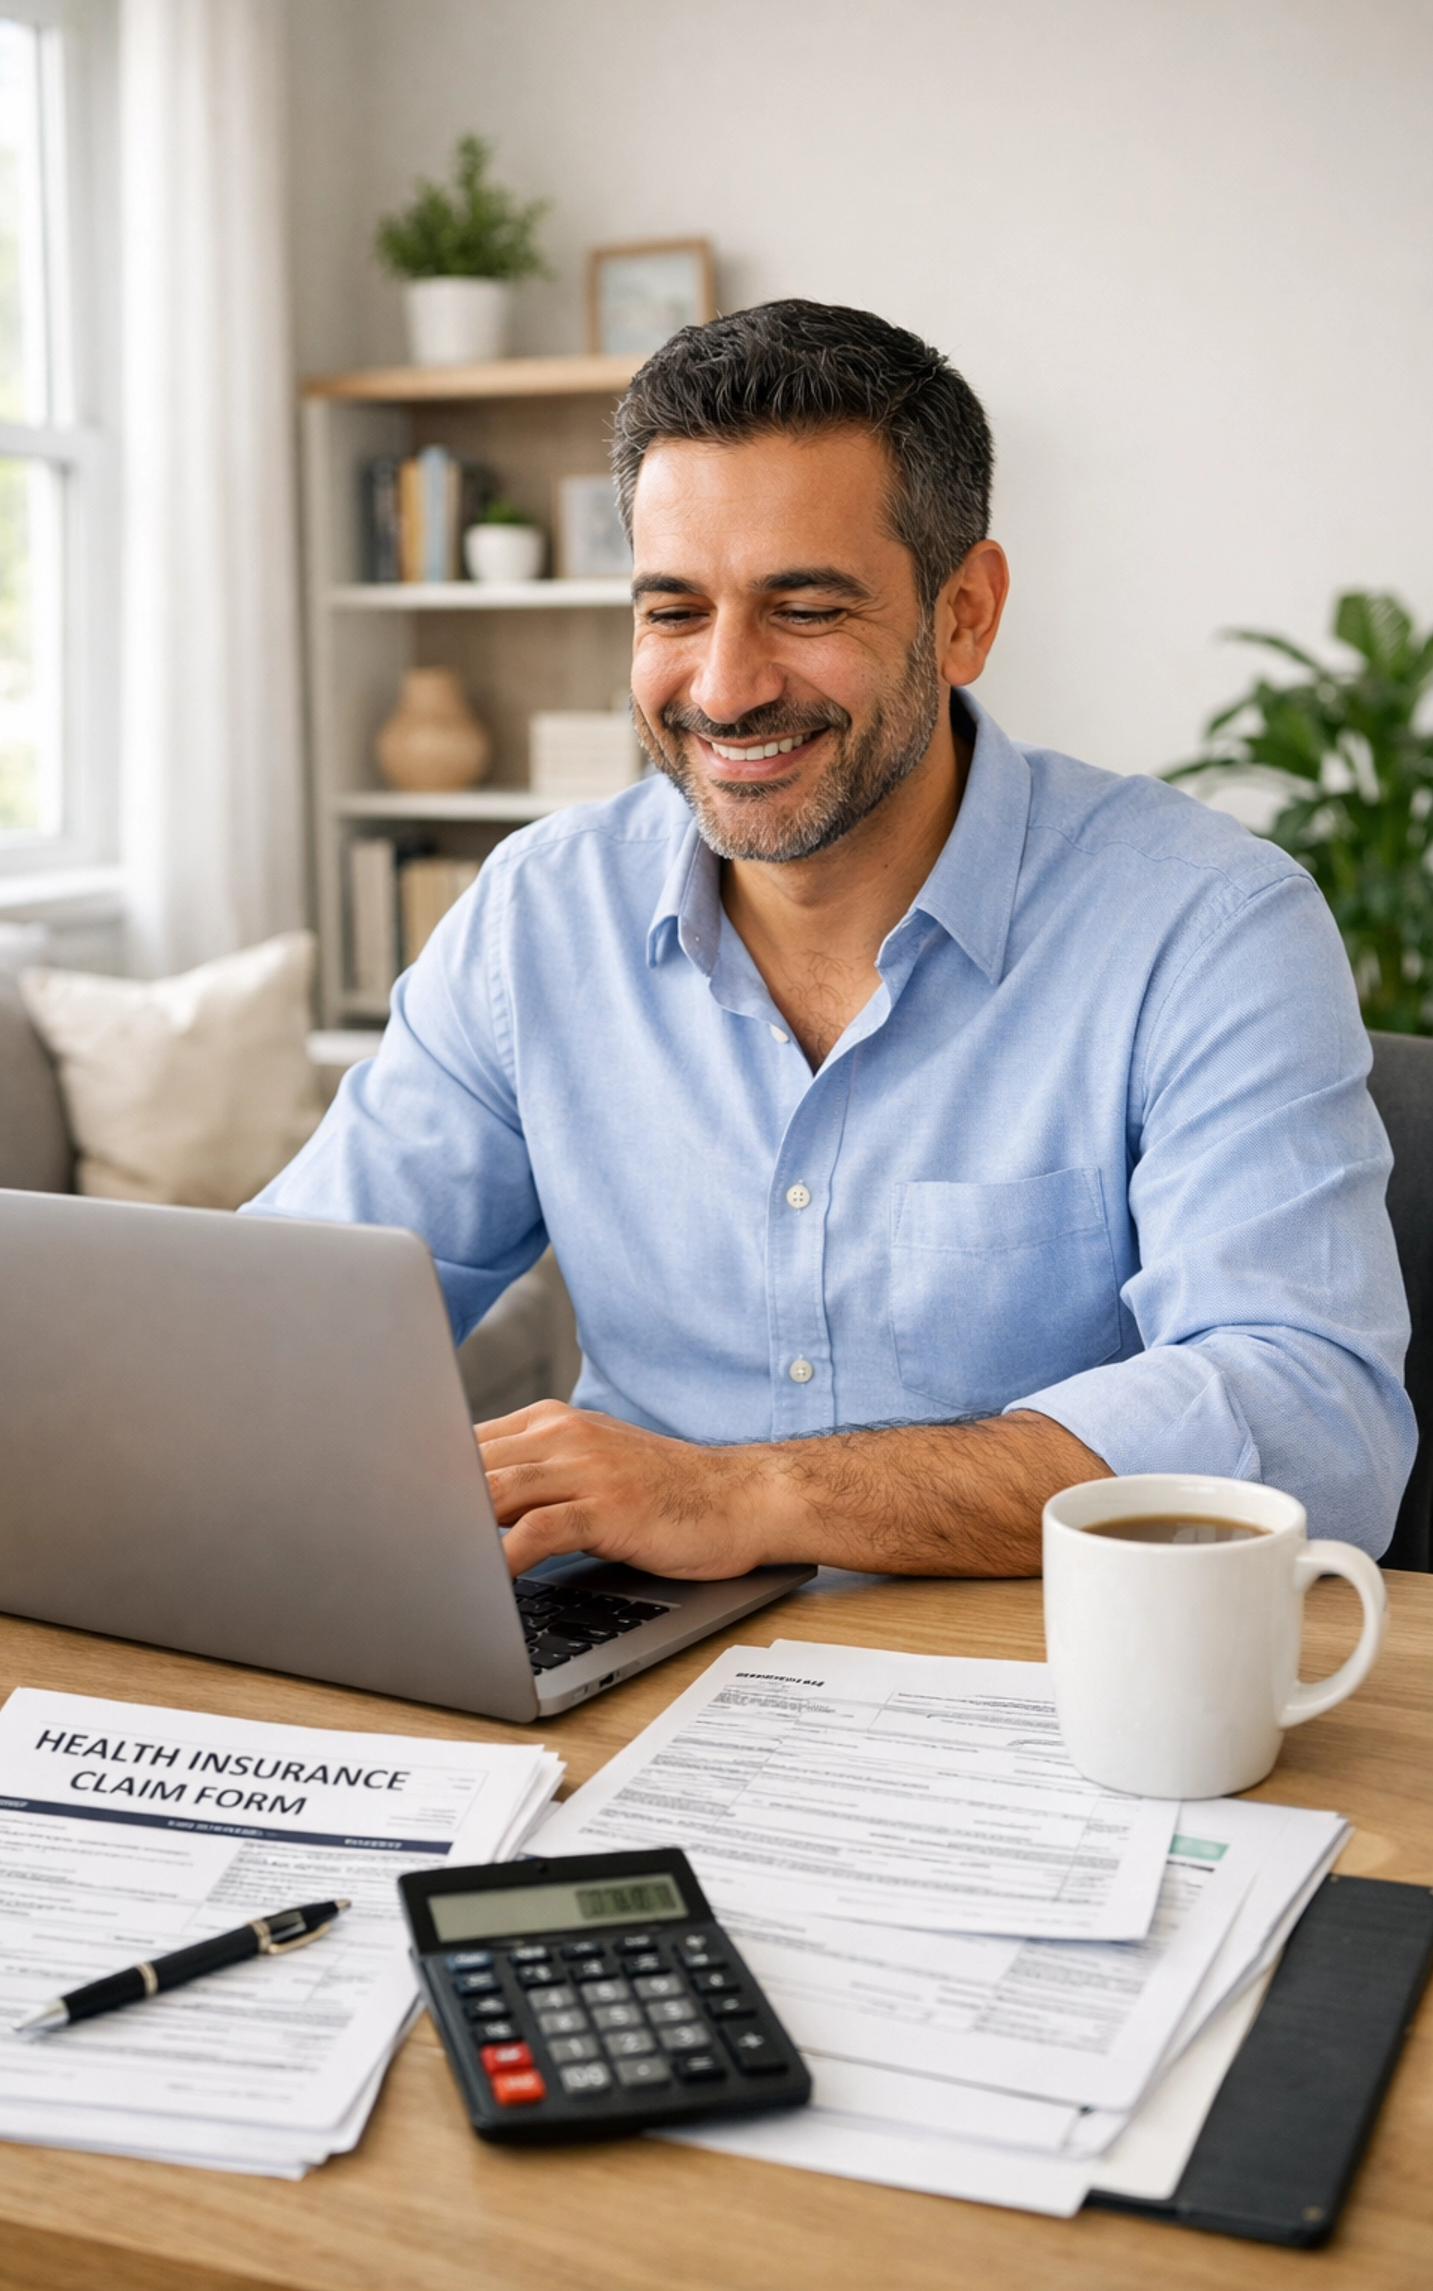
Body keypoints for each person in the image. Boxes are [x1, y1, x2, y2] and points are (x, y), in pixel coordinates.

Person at [250, 300, 1414, 1577]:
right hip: (619, 1677)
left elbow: (1314, 1427)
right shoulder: (539, 914)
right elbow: (291, 1315)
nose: (725, 687)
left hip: (1028, 1700)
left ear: (964, 612)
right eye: (673, 611)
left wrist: (747, 1497)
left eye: (803, 608)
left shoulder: (1208, 926)